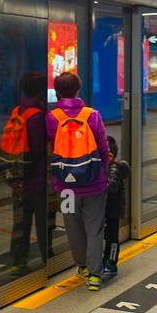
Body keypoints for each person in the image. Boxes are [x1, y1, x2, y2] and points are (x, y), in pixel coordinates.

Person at [46, 71, 110, 290]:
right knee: (94, 228)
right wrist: (103, 172)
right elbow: (103, 148)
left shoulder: (51, 118)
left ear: (57, 92)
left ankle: (81, 266)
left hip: (65, 187)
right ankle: (94, 275)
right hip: (94, 185)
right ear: (78, 90)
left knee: (72, 226)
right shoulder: (92, 115)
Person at [5, 72, 48, 273]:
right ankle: (46, 256)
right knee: (42, 219)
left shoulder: (17, 110)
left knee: (20, 221)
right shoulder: (37, 115)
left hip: (16, 175)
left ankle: (17, 261)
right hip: (35, 177)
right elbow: (40, 150)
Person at [101, 135, 131, 279]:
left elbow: (111, 186)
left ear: (110, 156)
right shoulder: (106, 167)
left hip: (112, 210)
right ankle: (104, 260)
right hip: (105, 209)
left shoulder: (114, 169)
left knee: (112, 238)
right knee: (105, 236)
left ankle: (111, 262)